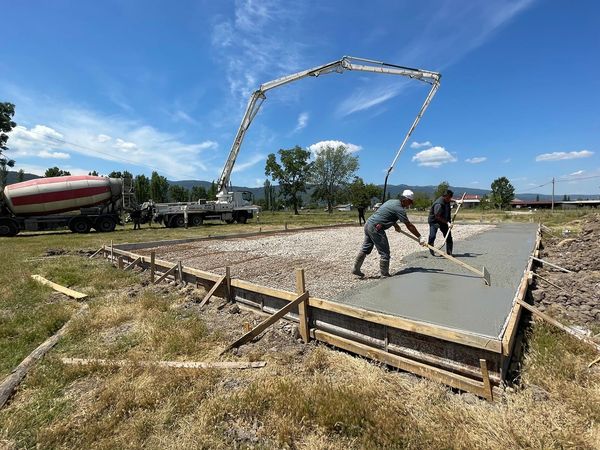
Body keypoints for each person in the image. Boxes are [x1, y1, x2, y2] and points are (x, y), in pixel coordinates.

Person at [352, 190, 427, 278]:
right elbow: (409, 225)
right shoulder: (399, 209)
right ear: (405, 199)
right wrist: (420, 237)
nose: (410, 204)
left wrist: (395, 225)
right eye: (410, 201)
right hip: (376, 228)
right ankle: (385, 274)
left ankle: (356, 269)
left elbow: (386, 214)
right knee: (385, 252)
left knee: (366, 248)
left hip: (369, 224)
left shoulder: (391, 201)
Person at [428, 189, 454, 256]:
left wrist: (457, 201)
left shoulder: (447, 199)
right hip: (435, 222)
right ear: (445, 197)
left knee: (448, 237)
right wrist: (448, 223)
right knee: (432, 236)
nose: (450, 199)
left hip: (444, 222)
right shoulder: (439, 204)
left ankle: (449, 253)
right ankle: (431, 250)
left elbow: (450, 200)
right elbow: (437, 217)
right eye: (449, 198)